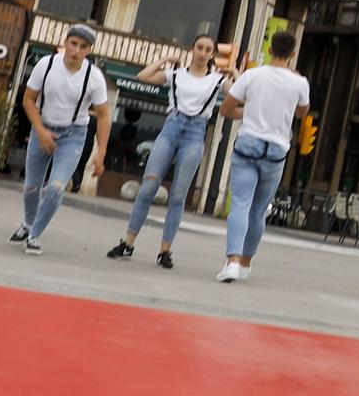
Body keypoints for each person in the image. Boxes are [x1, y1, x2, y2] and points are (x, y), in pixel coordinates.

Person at [105, 34, 232, 270]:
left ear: (212, 54)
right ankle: (127, 243)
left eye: (207, 50)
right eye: (199, 48)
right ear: (192, 49)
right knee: (147, 189)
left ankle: (165, 251)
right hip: (171, 129)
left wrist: (235, 73)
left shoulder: (216, 80)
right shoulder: (175, 75)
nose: (202, 53)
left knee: (177, 196)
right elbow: (142, 76)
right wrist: (164, 58)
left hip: (195, 133)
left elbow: (238, 95)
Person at [216, 30, 311, 283]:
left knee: (240, 204)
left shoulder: (251, 75)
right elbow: (302, 112)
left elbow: (226, 109)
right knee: (258, 211)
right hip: (277, 150)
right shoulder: (300, 83)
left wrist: (248, 112)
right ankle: (246, 263)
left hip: (248, 143)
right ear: (292, 54)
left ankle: (232, 262)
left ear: (270, 50)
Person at [13, 24, 110, 255]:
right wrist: (41, 131)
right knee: (31, 187)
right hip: (42, 127)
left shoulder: (94, 77)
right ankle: (27, 224)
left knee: (56, 188)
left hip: (73, 134)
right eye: (73, 43)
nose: (76, 50)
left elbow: (104, 115)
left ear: (89, 50)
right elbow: (28, 100)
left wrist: (101, 152)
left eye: (83, 46)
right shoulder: (46, 65)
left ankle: (34, 235)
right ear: (66, 42)